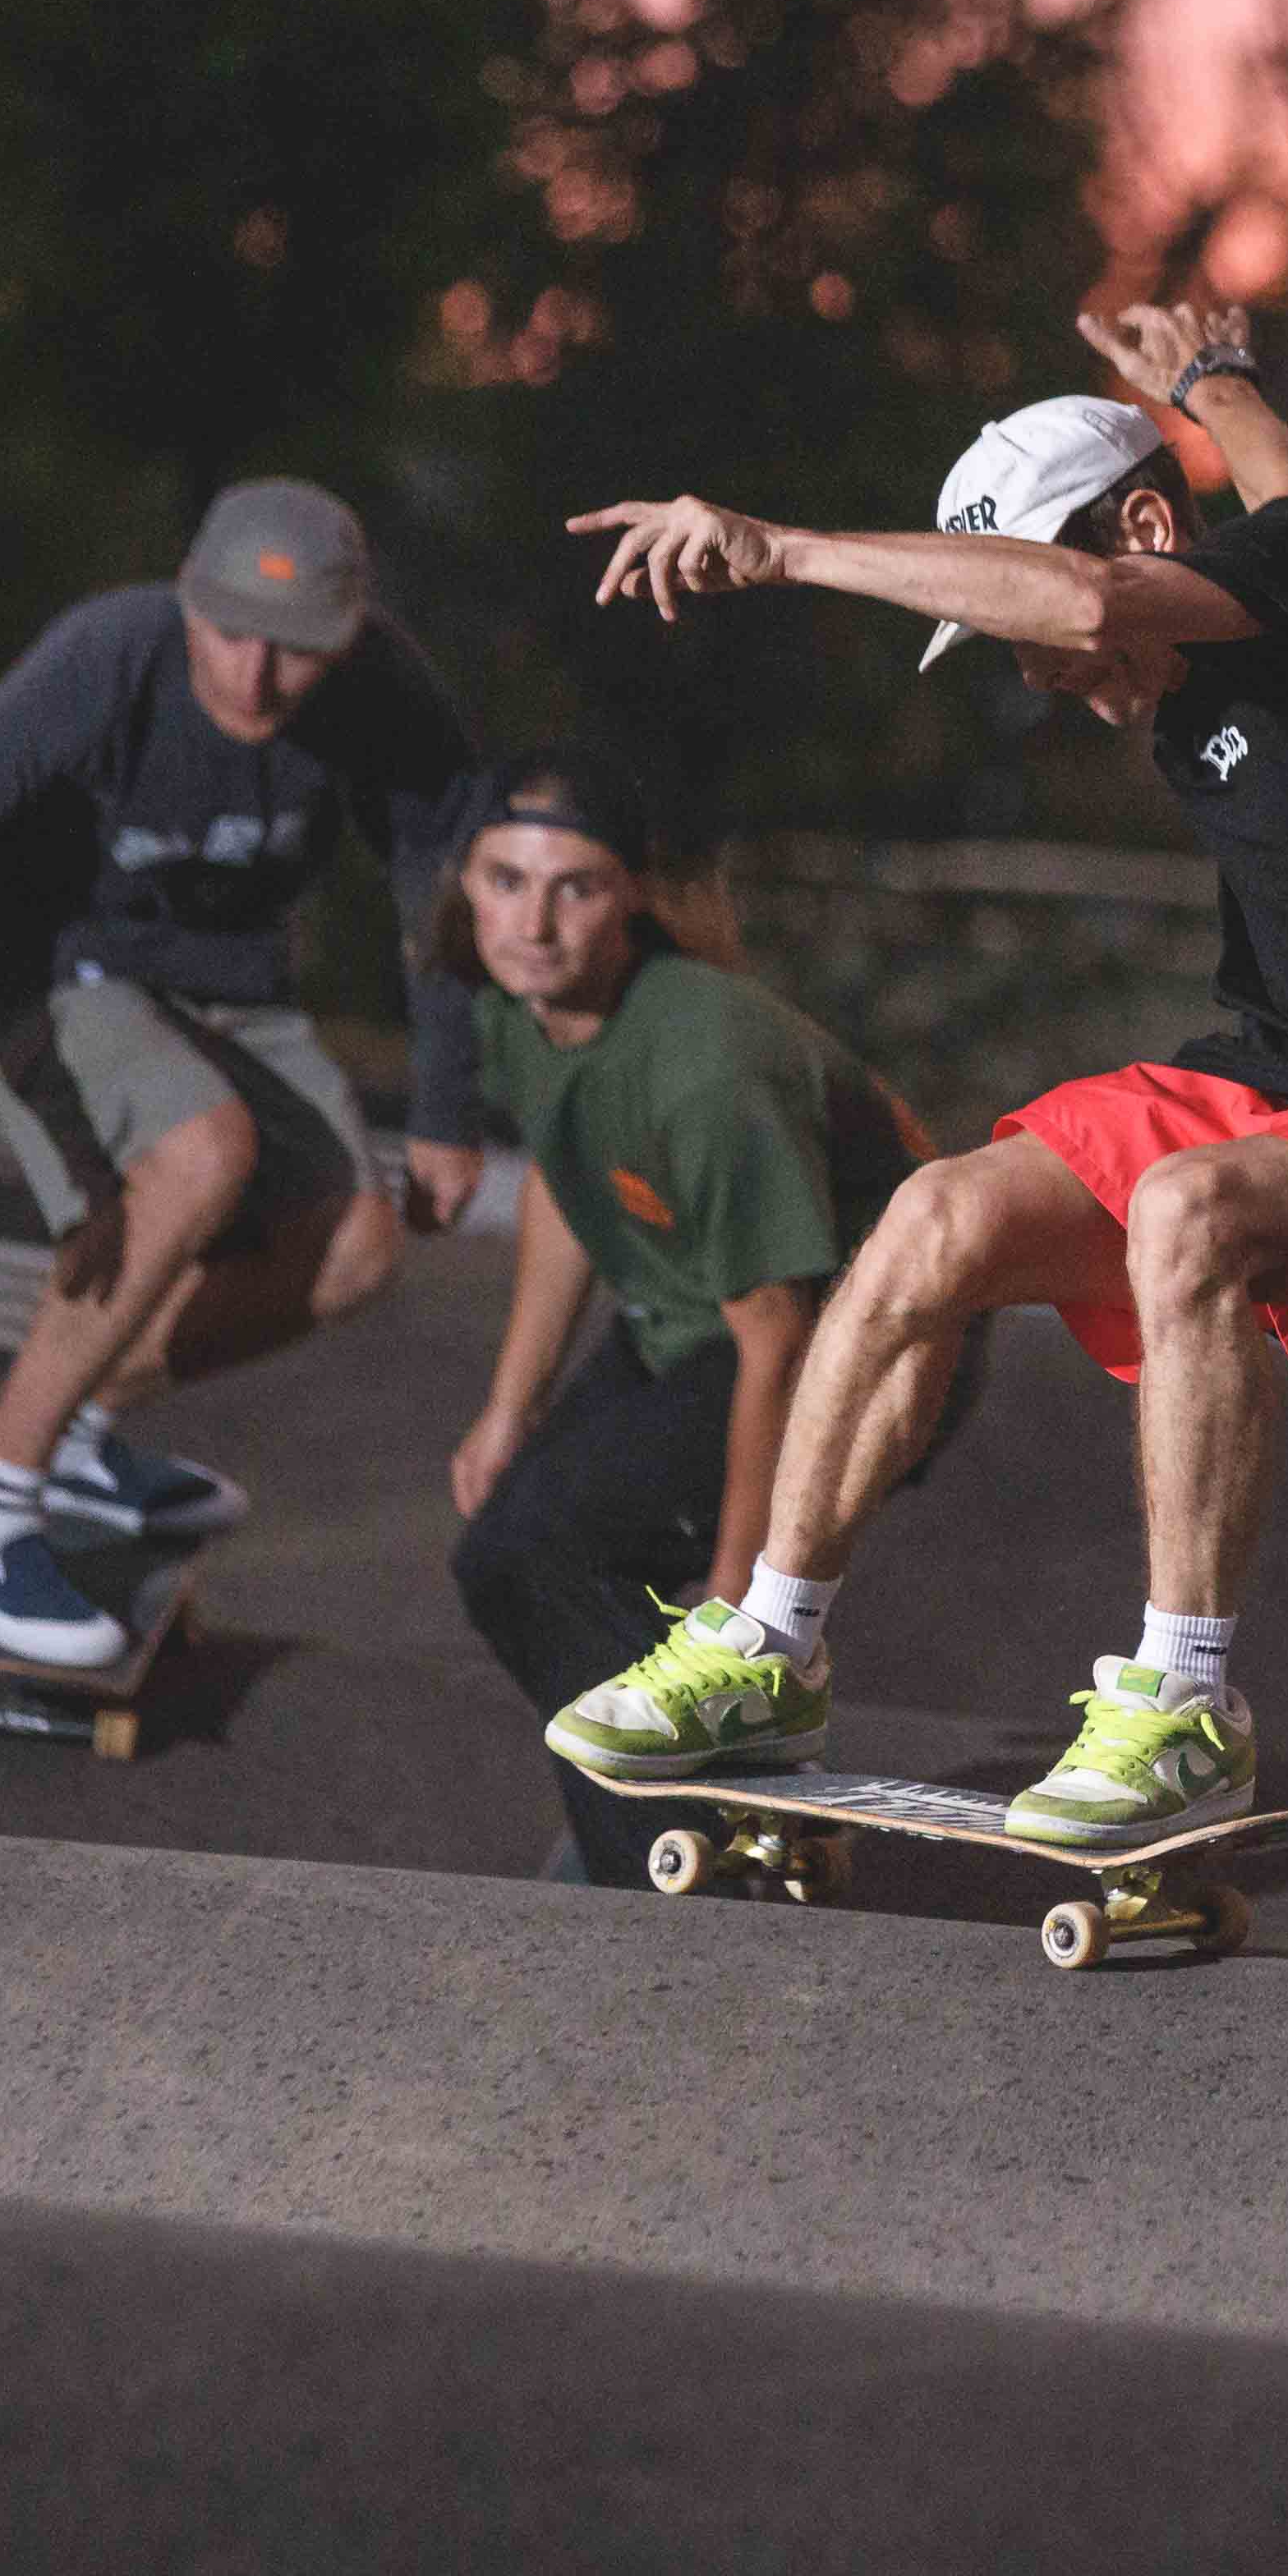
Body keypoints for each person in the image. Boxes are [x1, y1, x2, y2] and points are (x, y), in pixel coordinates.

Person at [549, 298, 1288, 1844]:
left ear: (1133, 524)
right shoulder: (1281, 580)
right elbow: (1281, 482)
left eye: (1038, 635)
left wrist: (780, 550)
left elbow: (1119, 582)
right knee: (937, 1215)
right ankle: (767, 1646)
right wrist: (1210, 376)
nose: (1042, 673)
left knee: (1188, 1212)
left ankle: (1185, 1705)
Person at [0, 478, 490, 1666]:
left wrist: (445, 1107)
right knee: (200, 1154)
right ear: (187, 605)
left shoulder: (386, 690)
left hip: (223, 984)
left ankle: (81, 1431)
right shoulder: (108, 659)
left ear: (349, 638)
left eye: (295, 655)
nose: (255, 681)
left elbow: (442, 882)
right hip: (37, 963)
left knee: (355, 1246)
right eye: (230, 638)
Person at [429, 741, 972, 1879]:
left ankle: (676, 1845)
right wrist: (505, 1408)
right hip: (693, 1326)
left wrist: (742, 1616)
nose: (534, 922)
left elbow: (780, 1339)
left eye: (573, 887)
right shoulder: (516, 1009)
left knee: (544, 1553)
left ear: (629, 894)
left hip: (861, 1349)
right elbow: (566, 1184)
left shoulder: (703, 1062)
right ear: (464, 885)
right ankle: (724, 1807)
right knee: (505, 1553)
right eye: (505, 881)